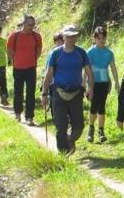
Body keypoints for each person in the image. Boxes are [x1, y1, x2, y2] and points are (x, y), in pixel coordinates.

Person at [40, 25, 93, 155]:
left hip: (76, 93)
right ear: (63, 37)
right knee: (61, 126)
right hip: (58, 93)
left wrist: (91, 89)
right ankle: (63, 155)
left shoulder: (81, 53)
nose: (71, 38)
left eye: (73, 36)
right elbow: (49, 74)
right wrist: (44, 94)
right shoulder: (56, 54)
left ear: (76, 37)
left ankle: (70, 140)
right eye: (68, 36)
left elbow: (89, 72)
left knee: (79, 126)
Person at [6, 15, 43, 124]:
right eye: (29, 25)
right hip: (18, 68)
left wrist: (33, 59)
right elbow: (8, 50)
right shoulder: (14, 36)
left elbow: (39, 50)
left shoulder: (37, 36)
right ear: (23, 24)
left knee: (30, 93)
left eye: (33, 25)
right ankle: (17, 114)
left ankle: (29, 117)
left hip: (31, 68)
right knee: (18, 92)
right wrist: (15, 59)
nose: (31, 27)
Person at [86, 26, 119, 143]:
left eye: (103, 38)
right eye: (99, 38)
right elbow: (85, 68)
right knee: (94, 106)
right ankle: (90, 129)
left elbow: (113, 68)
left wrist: (116, 82)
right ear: (94, 38)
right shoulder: (90, 52)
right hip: (93, 83)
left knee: (102, 106)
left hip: (104, 83)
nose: (102, 40)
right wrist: (85, 85)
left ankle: (101, 131)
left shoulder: (109, 53)